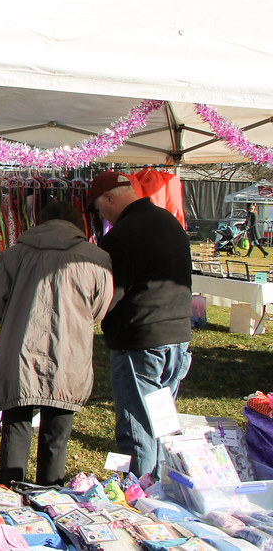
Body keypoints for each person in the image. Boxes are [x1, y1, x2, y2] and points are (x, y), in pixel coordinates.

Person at [0, 200, 113, 486]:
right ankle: (51, 499)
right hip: (69, 354)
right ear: (78, 223)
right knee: (57, 436)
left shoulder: (13, 254)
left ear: (38, 220)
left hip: (19, 351)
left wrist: (17, 313)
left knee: (16, 429)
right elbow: (99, 309)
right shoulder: (96, 258)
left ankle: (10, 498)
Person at [89, 170, 193, 479]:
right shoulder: (168, 221)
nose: (100, 215)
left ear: (109, 199)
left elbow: (110, 293)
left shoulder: (123, 235)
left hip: (141, 340)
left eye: (98, 208)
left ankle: (140, 496)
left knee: (138, 426)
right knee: (160, 422)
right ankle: (160, 485)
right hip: (177, 336)